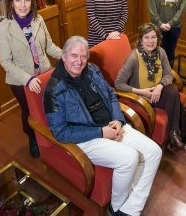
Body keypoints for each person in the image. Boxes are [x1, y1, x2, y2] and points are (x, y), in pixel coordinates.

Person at [44, 36, 162, 216]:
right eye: (74, 56)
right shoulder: (54, 89)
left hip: (112, 126)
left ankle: (129, 210)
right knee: (129, 158)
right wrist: (100, 132)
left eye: (83, 56)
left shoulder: (92, 70)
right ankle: (116, 208)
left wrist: (118, 119)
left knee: (154, 152)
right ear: (64, 56)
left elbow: (111, 95)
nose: (79, 61)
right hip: (87, 138)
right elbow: (60, 132)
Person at [115, 22, 186, 151]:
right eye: (146, 37)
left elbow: (168, 74)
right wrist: (142, 91)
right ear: (140, 39)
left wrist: (160, 86)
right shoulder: (133, 58)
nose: (150, 41)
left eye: (153, 37)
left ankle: (174, 135)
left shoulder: (160, 52)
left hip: (157, 93)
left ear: (158, 38)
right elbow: (118, 84)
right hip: (141, 97)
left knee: (172, 92)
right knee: (175, 99)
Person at [0, 0, 62, 158]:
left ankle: (52, 135)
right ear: (11, 3)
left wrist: (69, 56)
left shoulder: (38, 19)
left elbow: (49, 46)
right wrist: (27, 79)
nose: (23, 4)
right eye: (18, 0)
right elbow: (5, 62)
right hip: (21, 82)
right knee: (30, 112)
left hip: (44, 75)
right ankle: (32, 138)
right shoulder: (4, 27)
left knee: (49, 107)